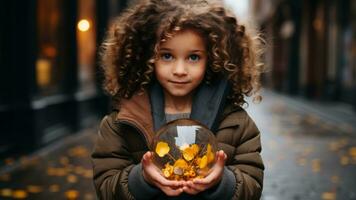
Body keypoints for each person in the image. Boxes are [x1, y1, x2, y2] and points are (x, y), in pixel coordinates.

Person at [91, 0, 265, 199]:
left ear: (213, 60)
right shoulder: (121, 122)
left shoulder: (236, 123)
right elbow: (106, 187)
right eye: (166, 56)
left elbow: (252, 186)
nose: (179, 71)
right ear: (146, 58)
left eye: (193, 57)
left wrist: (222, 182)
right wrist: (142, 179)